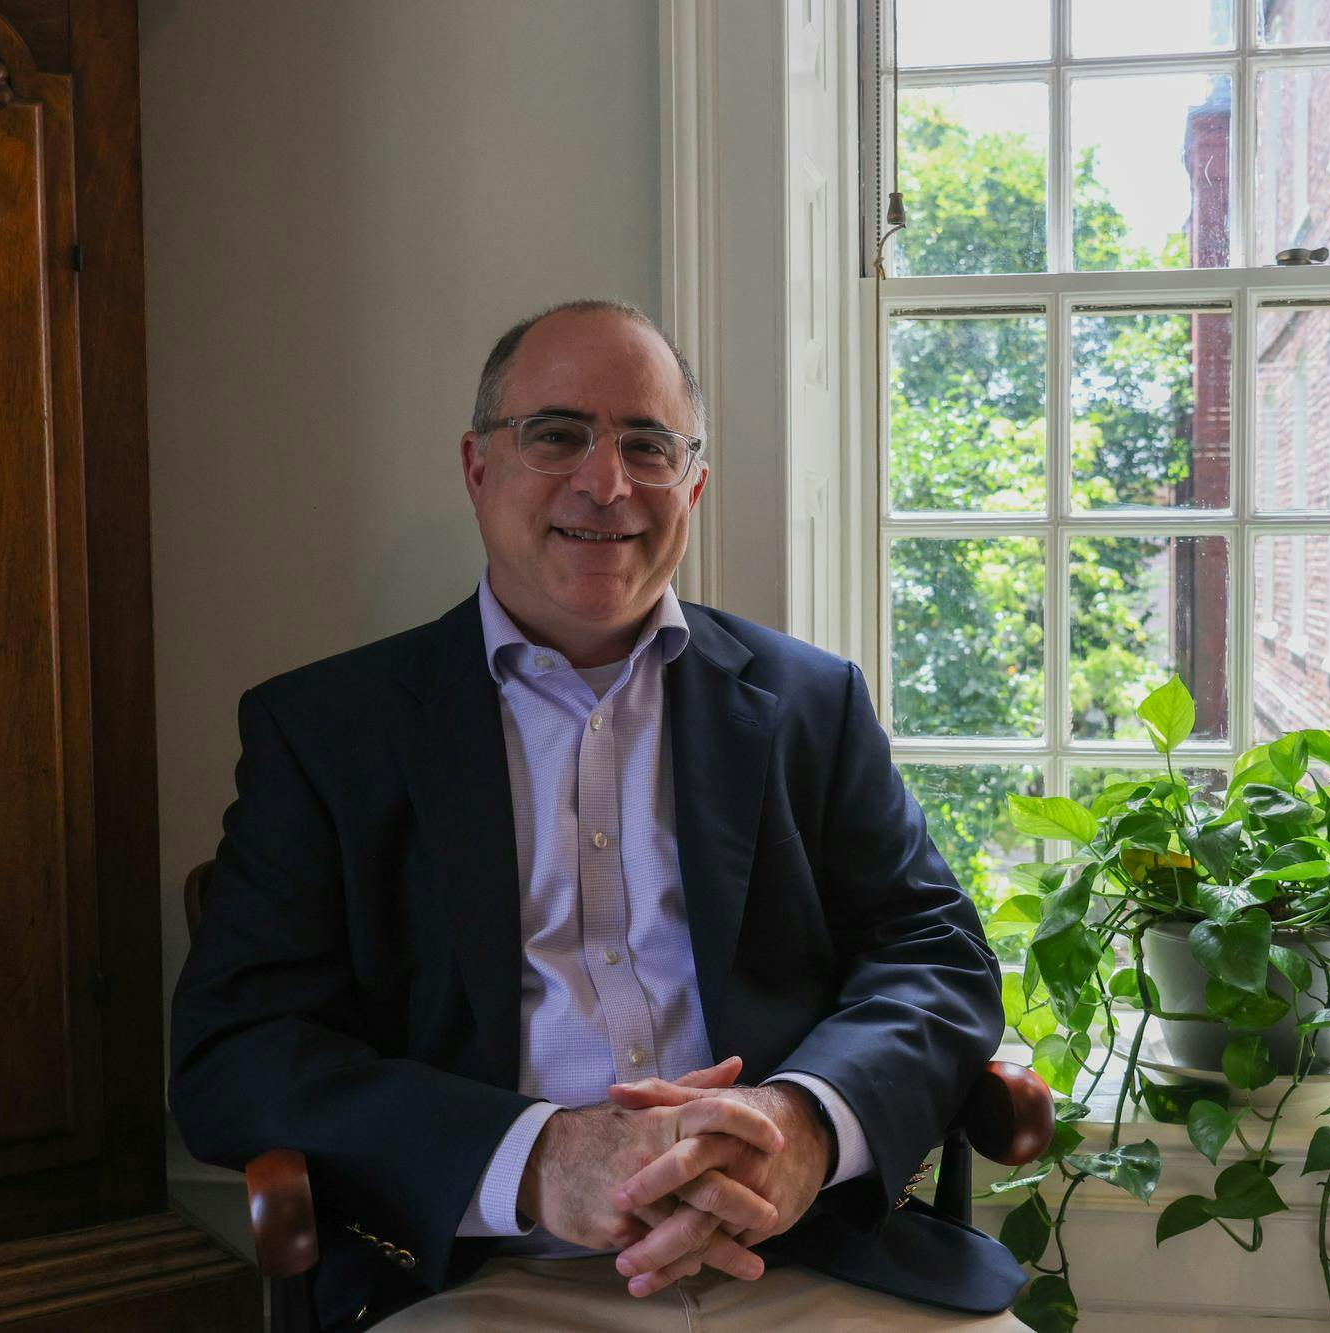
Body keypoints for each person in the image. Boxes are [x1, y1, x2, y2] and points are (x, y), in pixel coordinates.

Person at [169, 299, 1025, 1329]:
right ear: (478, 468)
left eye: (647, 445)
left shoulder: (811, 704)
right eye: (557, 433)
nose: (605, 481)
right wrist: (535, 1158)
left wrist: (801, 1123)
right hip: (480, 1275)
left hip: (810, 1260)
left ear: (693, 485)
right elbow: (233, 1056)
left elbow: (935, 954)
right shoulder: (323, 731)